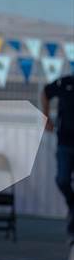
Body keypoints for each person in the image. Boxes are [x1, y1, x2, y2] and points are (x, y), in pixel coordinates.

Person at [41, 74, 74, 244]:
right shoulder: (66, 82)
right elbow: (46, 92)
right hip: (65, 143)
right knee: (62, 180)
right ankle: (71, 203)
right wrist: (46, 118)